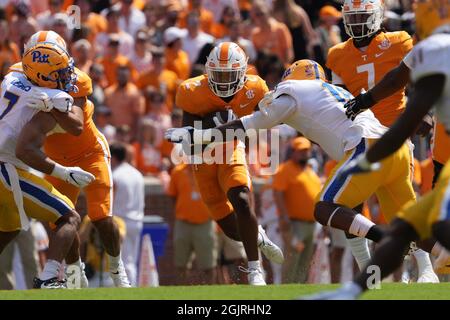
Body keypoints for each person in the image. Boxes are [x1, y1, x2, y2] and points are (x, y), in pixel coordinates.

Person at [166, 59, 434, 280]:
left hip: (368, 147)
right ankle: (423, 269)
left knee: (324, 208)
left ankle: (385, 238)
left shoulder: (292, 91)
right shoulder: (335, 92)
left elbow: (250, 124)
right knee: (393, 217)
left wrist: (202, 136)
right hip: (397, 149)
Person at [305, 0, 450, 299]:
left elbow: (405, 82)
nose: (357, 23)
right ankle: (365, 279)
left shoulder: (403, 41)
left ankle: (424, 269)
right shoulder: (337, 53)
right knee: (380, 212)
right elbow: (340, 98)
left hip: (393, 136)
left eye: (363, 17)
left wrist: (416, 113)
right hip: (361, 134)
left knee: (403, 208)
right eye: (352, 17)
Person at [10, 30, 131, 288]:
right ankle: (76, 271)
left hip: (90, 153)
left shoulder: (77, 81)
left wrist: (50, 102)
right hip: (57, 159)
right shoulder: (19, 77)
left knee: (100, 216)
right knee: (60, 219)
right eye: (58, 66)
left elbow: (75, 126)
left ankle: (116, 267)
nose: (68, 71)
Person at [170, 41, 284, 285]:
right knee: (232, 230)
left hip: (231, 150)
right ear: (208, 71)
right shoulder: (191, 91)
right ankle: (260, 238)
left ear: (243, 73)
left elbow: (268, 122)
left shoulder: (256, 88)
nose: (223, 81)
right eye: (218, 74)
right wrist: (210, 129)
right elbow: (190, 146)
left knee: (242, 200)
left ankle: (255, 270)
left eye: (228, 75)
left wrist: (238, 135)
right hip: (203, 159)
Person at [0, 41, 95, 289]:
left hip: (7, 163)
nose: (67, 76)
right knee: (69, 216)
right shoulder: (55, 95)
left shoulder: (12, 79)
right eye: (60, 72)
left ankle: (74, 276)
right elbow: (73, 125)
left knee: (8, 230)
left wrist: (46, 97)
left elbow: (18, 83)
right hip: (5, 166)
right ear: (43, 75)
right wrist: (63, 173)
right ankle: (49, 278)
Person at [272, 137, 322, 283]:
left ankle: (300, 290)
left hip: (311, 224)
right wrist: (283, 217)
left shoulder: (310, 171)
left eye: (306, 151)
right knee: (293, 257)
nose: (304, 154)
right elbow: (278, 193)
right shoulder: (285, 169)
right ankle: (287, 290)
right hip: (294, 224)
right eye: (301, 151)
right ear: (293, 152)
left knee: (306, 260)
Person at [167, 162, 217, 285]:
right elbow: (172, 196)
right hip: (183, 223)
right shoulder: (177, 171)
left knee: (208, 265)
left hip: (205, 222)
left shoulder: (211, 171)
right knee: (181, 264)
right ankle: (182, 295)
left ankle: (211, 296)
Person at [110, 142, 145, 287]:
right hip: (137, 221)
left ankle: (128, 289)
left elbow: (110, 201)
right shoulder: (137, 173)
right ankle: (132, 287)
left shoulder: (115, 175)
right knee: (131, 260)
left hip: (120, 222)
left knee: (123, 260)